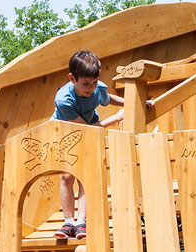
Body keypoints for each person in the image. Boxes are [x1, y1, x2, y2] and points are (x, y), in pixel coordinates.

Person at [51, 49, 146, 239]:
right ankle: (68, 221)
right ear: (72, 78)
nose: (91, 88)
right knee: (66, 177)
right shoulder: (64, 100)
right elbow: (86, 129)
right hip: (64, 134)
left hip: (88, 133)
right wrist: (115, 118)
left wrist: (134, 102)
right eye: (86, 83)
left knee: (84, 177)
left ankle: (81, 223)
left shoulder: (97, 88)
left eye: (94, 82)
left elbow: (108, 98)